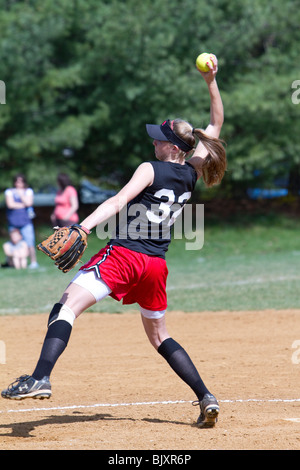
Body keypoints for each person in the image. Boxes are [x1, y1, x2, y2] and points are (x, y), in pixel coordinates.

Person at [1, 55, 226, 428]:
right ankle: (206, 396)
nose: (153, 143)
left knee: (65, 308)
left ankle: (40, 376)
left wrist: (84, 227)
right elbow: (215, 123)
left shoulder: (150, 168)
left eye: (159, 139)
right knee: (159, 337)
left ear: (172, 146)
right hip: (156, 266)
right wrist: (211, 81)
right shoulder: (190, 172)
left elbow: (118, 201)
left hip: (123, 257)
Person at [4, 174, 39, 269]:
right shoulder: (9, 191)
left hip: (25, 221)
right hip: (13, 221)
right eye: (17, 181)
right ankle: (11, 263)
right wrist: (23, 204)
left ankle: (33, 262)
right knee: (13, 243)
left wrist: (20, 195)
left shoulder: (28, 191)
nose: (18, 183)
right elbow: (10, 204)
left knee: (29, 242)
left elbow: (29, 203)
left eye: (21, 181)